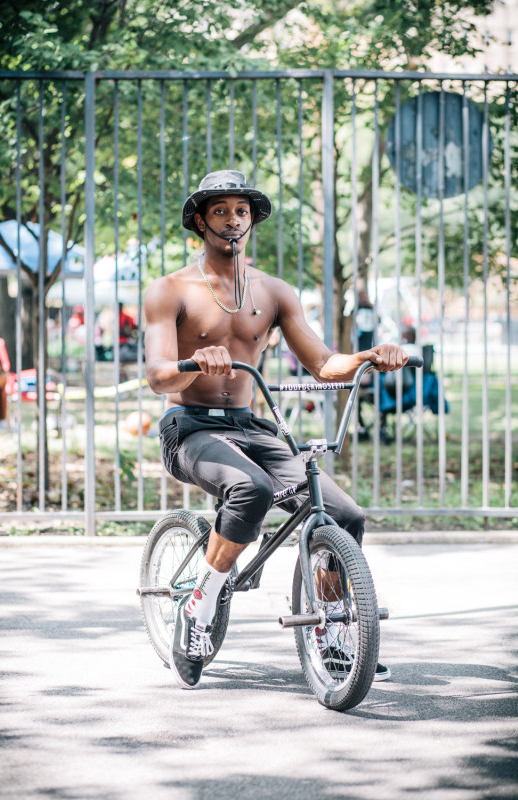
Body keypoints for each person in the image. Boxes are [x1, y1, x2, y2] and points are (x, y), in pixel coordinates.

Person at [143, 170, 408, 689]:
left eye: (241, 211)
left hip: (249, 425)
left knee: (344, 513)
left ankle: (331, 632)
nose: (233, 220)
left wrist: (371, 357)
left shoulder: (275, 291)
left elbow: (324, 365)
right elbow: (157, 376)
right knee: (252, 489)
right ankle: (198, 608)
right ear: (201, 221)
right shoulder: (169, 289)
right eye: (221, 211)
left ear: (252, 220)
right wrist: (197, 362)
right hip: (189, 427)